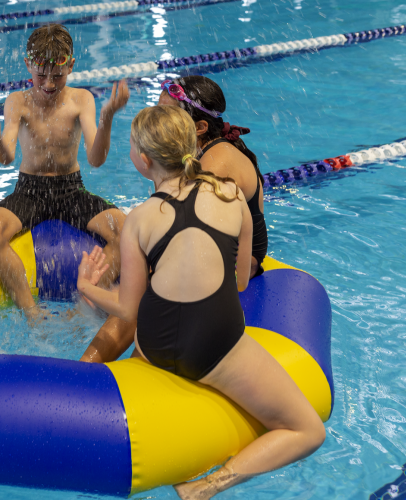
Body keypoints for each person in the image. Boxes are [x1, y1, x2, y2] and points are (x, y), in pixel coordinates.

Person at [76, 105, 325, 499]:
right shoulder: (231, 196)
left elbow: (128, 308)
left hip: (153, 345)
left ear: (143, 160)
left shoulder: (139, 218)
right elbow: (242, 282)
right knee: (308, 430)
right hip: (215, 349)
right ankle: (208, 486)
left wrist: (88, 287)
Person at [0, 23, 129, 324]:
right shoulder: (18, 101)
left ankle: (87, 301)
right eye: (40, 74)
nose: (47, 83)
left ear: (71, 66)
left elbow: (95, 160)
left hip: (71, 189)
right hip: (29, 191)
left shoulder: (81, 99)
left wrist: (107, 117)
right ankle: (30, 310)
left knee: (127, 231)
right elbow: (6, 158)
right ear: (27, 66)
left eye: (57, 75)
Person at [159, 76, 268, 279]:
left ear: (200, 127)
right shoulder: (202, 149)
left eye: (168, 117)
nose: (156, 123)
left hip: (241, 264)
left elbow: (183, 229)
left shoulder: (215, 164)